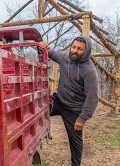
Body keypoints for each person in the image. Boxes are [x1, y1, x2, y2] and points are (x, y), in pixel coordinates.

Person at [39, 36, 98, 166]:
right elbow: (51, 53)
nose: (75, 51)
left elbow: (92, 97)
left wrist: (82, 119)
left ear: (86, 51)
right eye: (74, 47)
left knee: (75, 142)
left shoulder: (89, 71)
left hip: (74, 109)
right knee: (37, 110)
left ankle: (75, 164)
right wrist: (44, 47)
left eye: (79, 49)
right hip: (59, 101)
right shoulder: (65, 57)